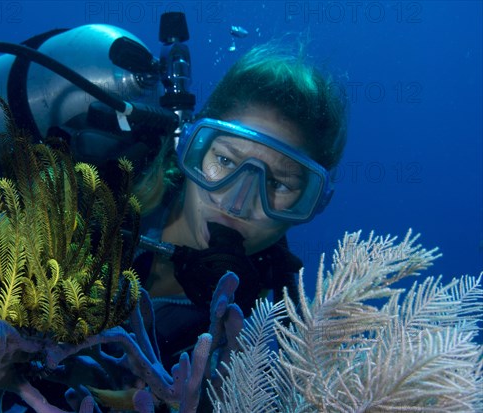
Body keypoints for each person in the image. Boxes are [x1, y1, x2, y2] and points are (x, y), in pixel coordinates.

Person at [131, 41, 348, 368]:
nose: (237, 203)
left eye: (276, 184)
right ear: (191, 146)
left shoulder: (269, 321)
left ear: (309, 203)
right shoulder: (120, 191)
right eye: (225, 160)